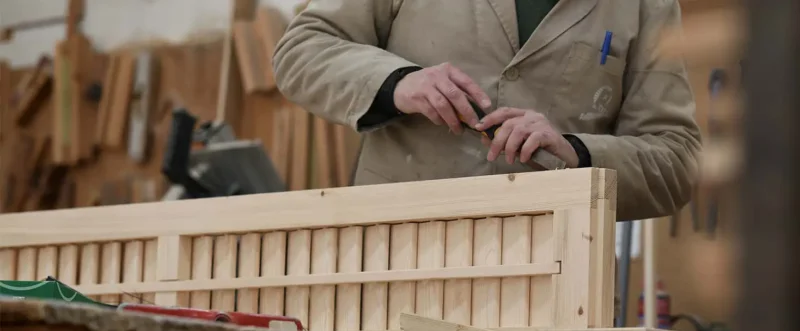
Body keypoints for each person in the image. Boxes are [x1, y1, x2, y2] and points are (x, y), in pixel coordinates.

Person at [272, 0, 702, 222]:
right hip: (396, 254)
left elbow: (678, 159)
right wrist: (396, 82)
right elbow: (302, 49)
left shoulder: (648, 6)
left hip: (560, 274)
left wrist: (577, 152)